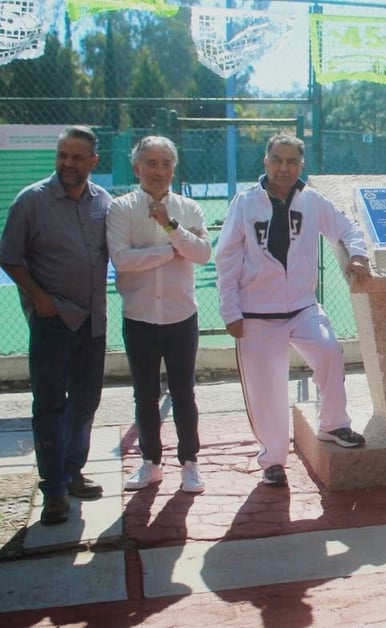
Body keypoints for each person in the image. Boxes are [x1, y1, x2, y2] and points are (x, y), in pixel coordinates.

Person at [215, 135, 371, 487]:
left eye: (291, 161)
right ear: (265, 161)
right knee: (266, 389)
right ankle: (272, 459)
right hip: (256, 313)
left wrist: (357, 253)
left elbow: (346, 227)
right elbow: (226, 259)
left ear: (302, 166)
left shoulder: (312, 201)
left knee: (330, 351)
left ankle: (333, 425)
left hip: (302, 307)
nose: (283, 168)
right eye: (276, 160)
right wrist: (231, 311)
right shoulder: (245, 203)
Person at [0, 126, 111, 525]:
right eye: (63, 155)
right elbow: (10, 256)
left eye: (78, 157)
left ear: (93, 162)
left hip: (93, 324)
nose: (68, 163)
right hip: (52, 322)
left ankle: (73, 472)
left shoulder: (104, 202)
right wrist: (41, 300)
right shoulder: (31, 201)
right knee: (50, 404)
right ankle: (54, 490)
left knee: (85, 402)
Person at [107, 136, 212, 494]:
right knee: (145, 393)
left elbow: (201, 254)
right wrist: (172, 248)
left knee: (184, 392)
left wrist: (171, 226)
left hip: (181, 316)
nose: (158, 170)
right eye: (150, 163)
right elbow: (122, 259)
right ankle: (150, 463)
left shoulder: (188, 208)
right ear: (137, 168)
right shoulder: (121, 209)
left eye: (165, 163)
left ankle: (190, 463)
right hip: (138, 317)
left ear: (174, 169)